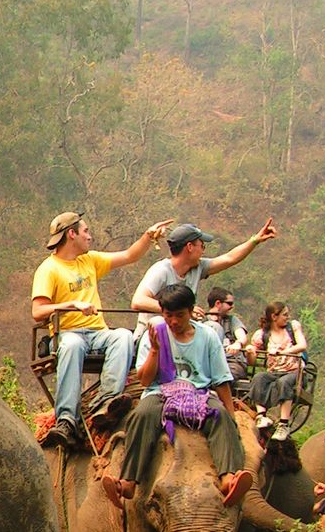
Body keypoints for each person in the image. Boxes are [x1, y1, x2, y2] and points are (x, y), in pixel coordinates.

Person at [102, 284, 254, 509]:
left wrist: (230, 414)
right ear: (162, 313)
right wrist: (155, 350)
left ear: (191, 311)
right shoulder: (154, 333)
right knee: (142, 414)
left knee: (220, 416)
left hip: (198, 393)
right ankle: (128, 482)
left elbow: (221, 379)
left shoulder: (208, 336)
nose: (173, 321)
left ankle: (228, 478)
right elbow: (144, 380)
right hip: (161, 392)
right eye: (168, 315)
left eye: (179, 315)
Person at [32, 212, 173, 447]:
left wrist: (148, 237)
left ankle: (107, 401)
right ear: (72, 234)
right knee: (72, 345)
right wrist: (72, 305)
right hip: (67, 333)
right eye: (85, 231)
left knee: (123, 337)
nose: (90, 236)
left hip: (97, 333)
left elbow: (129, 255)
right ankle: (66, 419)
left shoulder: (90, 260)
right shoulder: (49, 269)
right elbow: (38, 311)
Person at [130, 219, 278, 336]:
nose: (203, 251)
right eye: (201, 245)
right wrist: (182, 310)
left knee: (213, 327)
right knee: (159, 323)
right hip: (154, 333)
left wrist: (255, 241)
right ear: (189, 247)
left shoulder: (198, 267)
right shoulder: (161, 271)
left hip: (183, 330)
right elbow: (138, 301)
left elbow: (229, 258)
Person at [246, 301, 308, 443]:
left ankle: (283, 423)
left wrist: (283, 352)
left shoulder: (293, 328)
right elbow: (252, 362)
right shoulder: (262, 334)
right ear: (274, 317)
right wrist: (250, 352)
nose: (287, 317)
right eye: (285, 315)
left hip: (294, 372)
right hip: (274, 371)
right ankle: (261, 415)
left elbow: (302, 345)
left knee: (284, 382)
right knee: (259, 377)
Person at [204, 286, 249, 380]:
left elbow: (242, 336)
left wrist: (238, 343)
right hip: (207, 364)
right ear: (218, 303)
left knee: (225, 375)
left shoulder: (232, 320)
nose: (232, 306)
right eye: (229, 303)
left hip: (231, 362)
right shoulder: (202, 322)